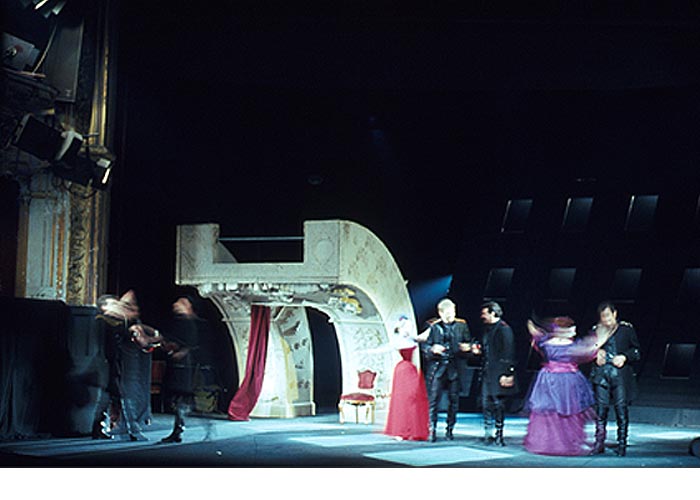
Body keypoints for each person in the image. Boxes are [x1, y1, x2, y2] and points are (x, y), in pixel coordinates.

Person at [523, 317, 597, 456]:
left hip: (549, 379)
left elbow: (536, 335)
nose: (574, 333)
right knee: (566, 411)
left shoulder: (546, 343)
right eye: (572, 330)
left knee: (550, 411)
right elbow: (588, 352)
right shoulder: (572, 346)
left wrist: (531, 325)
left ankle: (547, 443)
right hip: (566, 380)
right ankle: (565, 443)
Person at [91, 290, 158, 441]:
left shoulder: (119, 322)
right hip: (104, 364)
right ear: (104, 307)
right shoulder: (102, 320)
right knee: (116, 396)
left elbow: (138, 338)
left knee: (110, 396)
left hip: (114, 364)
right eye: (114, 304)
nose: (119, 307)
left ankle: (104, 428)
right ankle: (129, 429)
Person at [589, 301, 641, 457]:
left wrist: (624, 357)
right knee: (601, 410)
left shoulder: (626, 330)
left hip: (620, 376)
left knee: (621, 410)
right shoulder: (596, 331)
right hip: (602, 375)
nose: (606, 320)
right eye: (603, 317)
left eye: (608, 316)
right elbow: (587, 350)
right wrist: (595, 353)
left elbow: (636, 351)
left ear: (615, 314)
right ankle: (599, 443)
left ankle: (622, 444)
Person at [423, 298, 472, 442]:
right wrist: (432, 349)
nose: (451, 316)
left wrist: (467, 348)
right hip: (438, 368)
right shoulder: (433, 327)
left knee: (454, 401)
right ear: (441, 313)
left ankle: (450, 429)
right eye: (448, 313)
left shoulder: (462, 326)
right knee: (434, 400)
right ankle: (432, 429)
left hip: (454, 368)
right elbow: (425, 347)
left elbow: (468, 345)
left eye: (453, 312)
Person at [472, 301, 517, 446]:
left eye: (484, 313)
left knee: (498, 404)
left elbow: (509, 353)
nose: (482, 316)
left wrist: (508, 373)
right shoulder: (486, 329)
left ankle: (499, 434)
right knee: (485, 403)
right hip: (487, 373)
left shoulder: (504, 329)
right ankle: (488, 433)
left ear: (493, 313)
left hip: (499, 374)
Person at [160, 295, 200, 443]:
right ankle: (178, 427)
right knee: (175, 397)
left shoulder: (189, 323)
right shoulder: (179, 322)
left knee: (178, 397)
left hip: (183, 366)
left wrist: (180, 352)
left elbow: (192, 344)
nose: (176, 304)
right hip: (177, 365)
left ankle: (178, 427)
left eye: (181, 302)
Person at [383, 315, 430, 441]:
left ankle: (413, 429)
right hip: (402, 371)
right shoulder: (398, 341)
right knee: (402, 400)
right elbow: (384, 348)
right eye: (406, 327)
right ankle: (401, 430)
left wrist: (435, 325)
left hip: (411, 371)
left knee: (414, 398)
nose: (409, 329)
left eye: (410, 327)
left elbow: (424, 336)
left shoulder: (412, 339)